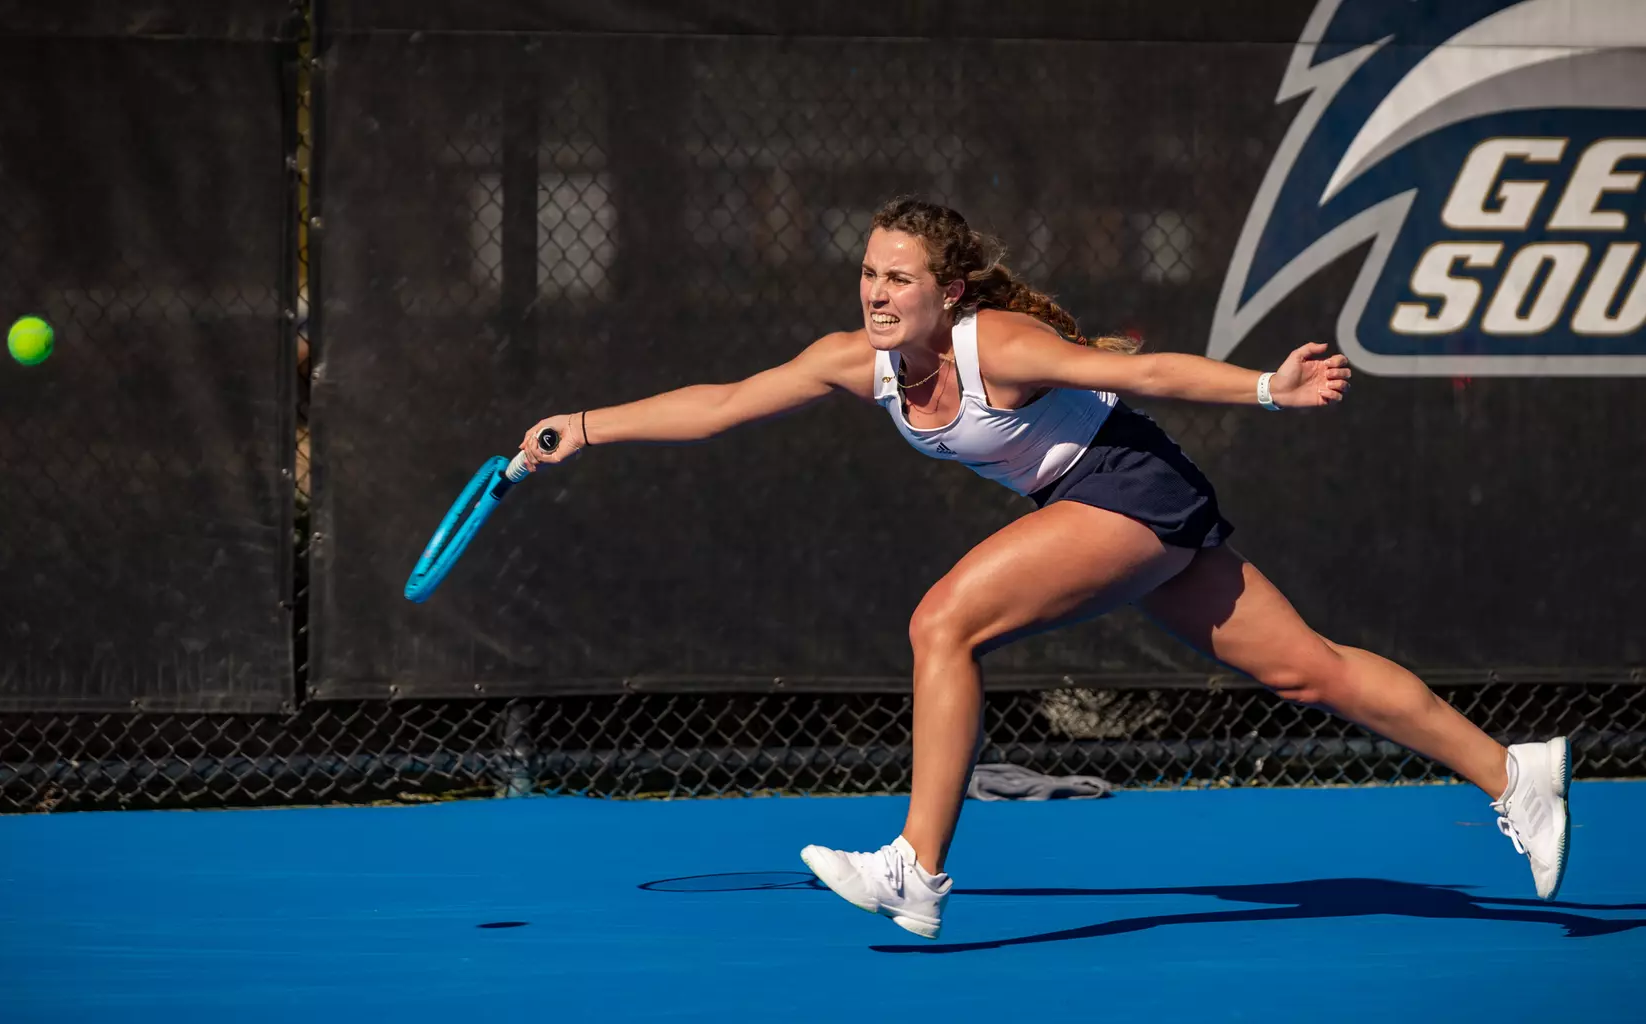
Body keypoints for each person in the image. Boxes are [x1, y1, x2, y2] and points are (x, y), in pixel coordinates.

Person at [519, 196, 1570, 940]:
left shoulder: (999, 345)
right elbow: (722, 401)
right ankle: (1514, 771)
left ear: (950, 289)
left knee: (944, 623)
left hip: (1128, 484)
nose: (877, 292)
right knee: (1309, 670)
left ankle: (916, 870)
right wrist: (583, 424)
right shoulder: (858, 361)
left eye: (900, 277)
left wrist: (1266, 388)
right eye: (869, 272)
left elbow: (1141, 370)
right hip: (1090, 502)